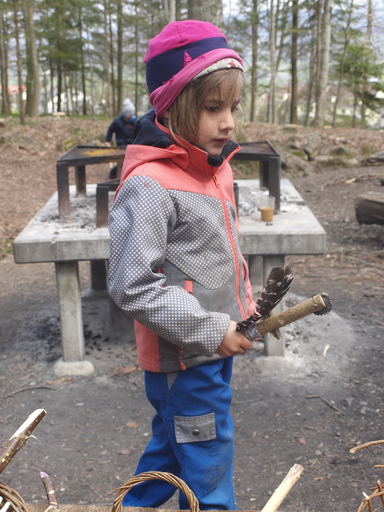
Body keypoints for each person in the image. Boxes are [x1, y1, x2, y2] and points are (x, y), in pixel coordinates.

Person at [108, 20, 258, 511]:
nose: (228, 122)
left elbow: (219, 256)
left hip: (211, 347)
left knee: (175, 451)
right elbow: (132, 284)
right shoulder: (150, 184)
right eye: (213, 108)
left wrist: (246, 314)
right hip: (185, 357)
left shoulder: (214, 167)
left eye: (232, 107)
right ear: (172, 107)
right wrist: (213, 329)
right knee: (208, 460)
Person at [105, 98, 137, 178]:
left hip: (132, 145)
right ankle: (114, 176)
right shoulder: (118, 122)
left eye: (131, 114)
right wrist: (108, 140)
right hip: (121, 145)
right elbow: (110, 130)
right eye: (129, 114)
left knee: (130, 163)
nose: (130, 115)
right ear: (125, 113)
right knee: (122, 163)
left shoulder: (135, 122)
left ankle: (128, 176)